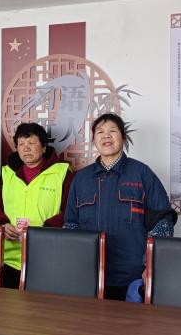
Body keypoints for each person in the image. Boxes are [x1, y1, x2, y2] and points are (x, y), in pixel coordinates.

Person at [64, 113, 174, 301]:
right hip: (89, 274)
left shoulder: (141, 173)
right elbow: (71, 224)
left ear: (123, 137)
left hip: (133, 275)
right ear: (94, 140)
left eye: (112, 131)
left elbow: (163, 222)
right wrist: (74, 263)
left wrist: (151, 264)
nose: (106, 136)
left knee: (130, 320)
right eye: (100, 132)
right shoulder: (81, 178)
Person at [0, 123, 73, 288]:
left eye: (31, 143)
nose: (26, 148)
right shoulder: (7, 173)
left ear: (44, 147)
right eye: (21, 144)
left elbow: (70, 211)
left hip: (46, 255)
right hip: (8, 257)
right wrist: (2, 224)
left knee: (41, 303)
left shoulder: (62, 173)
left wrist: (43, 231)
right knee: (7, 302)